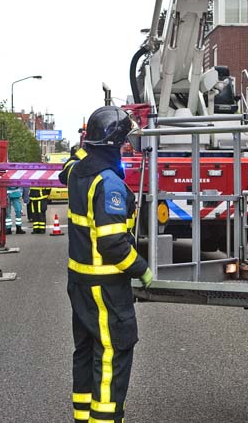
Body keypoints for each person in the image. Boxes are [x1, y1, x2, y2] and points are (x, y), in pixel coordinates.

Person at [64, 106, 152, 423]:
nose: (127, 146)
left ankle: (83, 416)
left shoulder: (76, 171)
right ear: (114, 143)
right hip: (105, 287)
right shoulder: (108, 183)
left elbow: (71, 161)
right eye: (124, 140)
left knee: (86, 351)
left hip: (80, 282)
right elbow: (113, 243)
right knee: (112, 354)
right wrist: (141, 268)